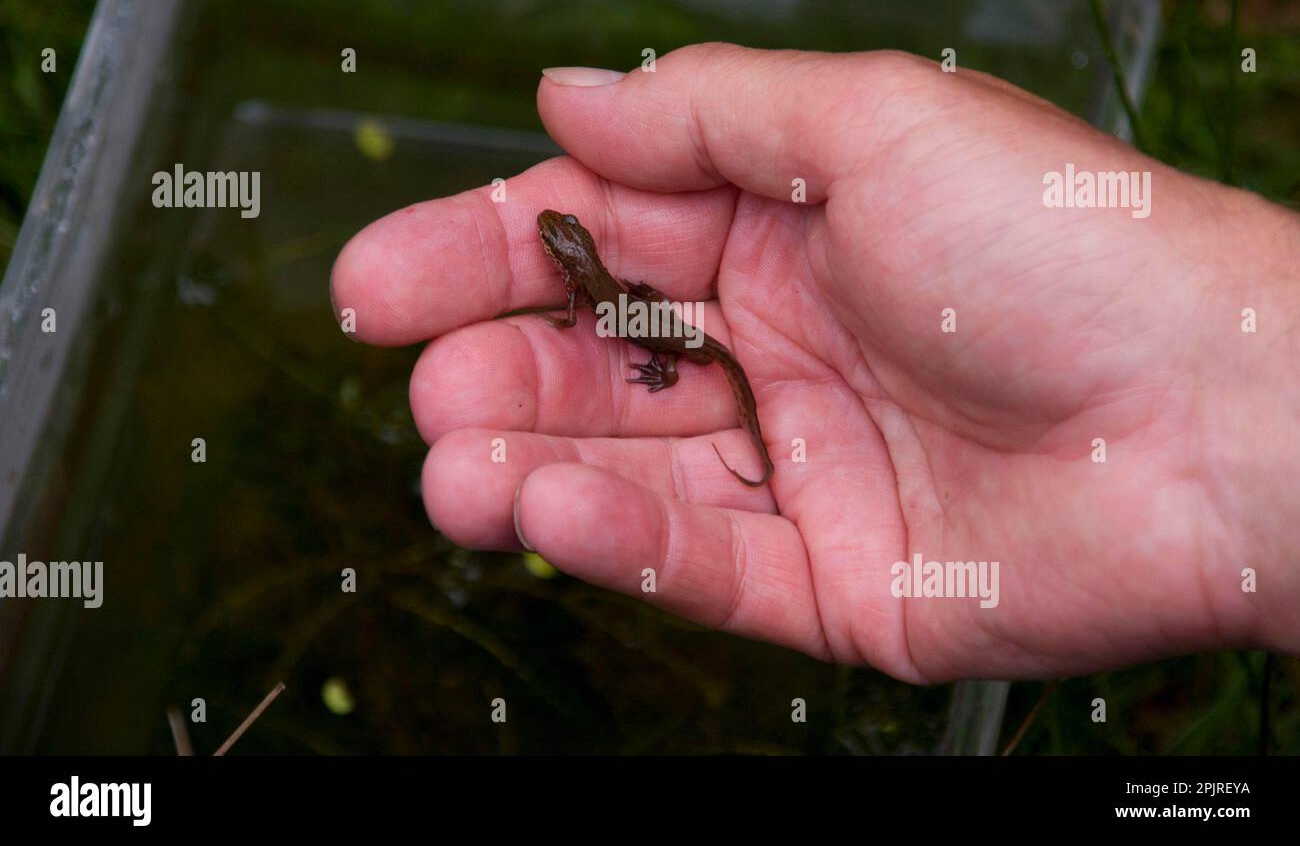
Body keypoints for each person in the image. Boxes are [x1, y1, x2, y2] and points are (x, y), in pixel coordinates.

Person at [330, 44, 1298, 683]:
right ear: (572, 253)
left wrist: (653, 348)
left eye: (561, 239)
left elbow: (588, 312)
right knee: (651, 375)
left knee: (665, 368)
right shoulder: (599, 282)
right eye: (559, 239)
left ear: (568, 256)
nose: (559, 242)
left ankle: (699, 392)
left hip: (680, 338)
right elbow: (603, 305)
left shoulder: (588, 287)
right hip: (675, 331)